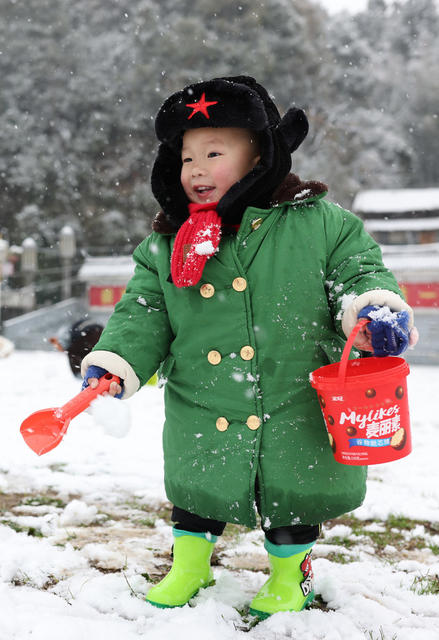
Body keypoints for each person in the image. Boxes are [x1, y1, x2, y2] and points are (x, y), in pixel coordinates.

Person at [81, 76, 417, 617]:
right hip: (205, 396)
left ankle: (289, 573)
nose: (196, 168)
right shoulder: (167, 244)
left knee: (293, 489)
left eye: (214, 152)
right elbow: (144, 312)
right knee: (196, 484)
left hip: (296, 393)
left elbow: (358, 272)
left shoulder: (321, 224)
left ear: (261, 154)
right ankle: (190, 565)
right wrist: (118, 360)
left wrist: (372, 305)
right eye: (187, 156)